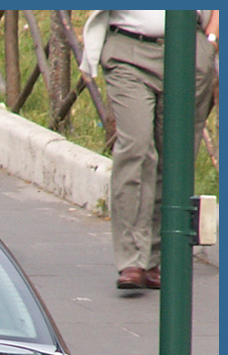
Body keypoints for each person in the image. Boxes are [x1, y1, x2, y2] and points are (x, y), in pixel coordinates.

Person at [81, 10, 219, 290]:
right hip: (128, 48)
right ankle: (132, 258)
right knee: (136, 147)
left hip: (188, 48)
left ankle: (159, 257)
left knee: (175, 156)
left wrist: (212, 39)